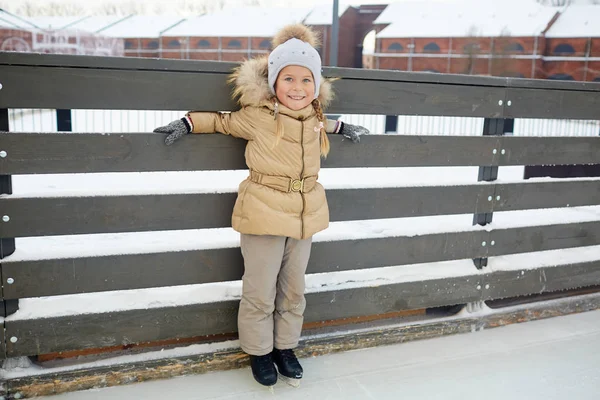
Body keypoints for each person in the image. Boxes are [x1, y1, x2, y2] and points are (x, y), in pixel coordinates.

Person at [153, 24, 369, 387]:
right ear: (273, 81)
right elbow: (223, 122)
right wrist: (188, 122)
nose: (297, 88)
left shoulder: (314, 118)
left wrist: (343, 126)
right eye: (288, 79)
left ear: (316, 86)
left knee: (293, 288)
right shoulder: (258, 116)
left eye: (305, 80)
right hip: (264, 214)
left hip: (304, 216)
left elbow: (323, 125)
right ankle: (259, 350)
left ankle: (285, 346)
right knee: (260, 289)